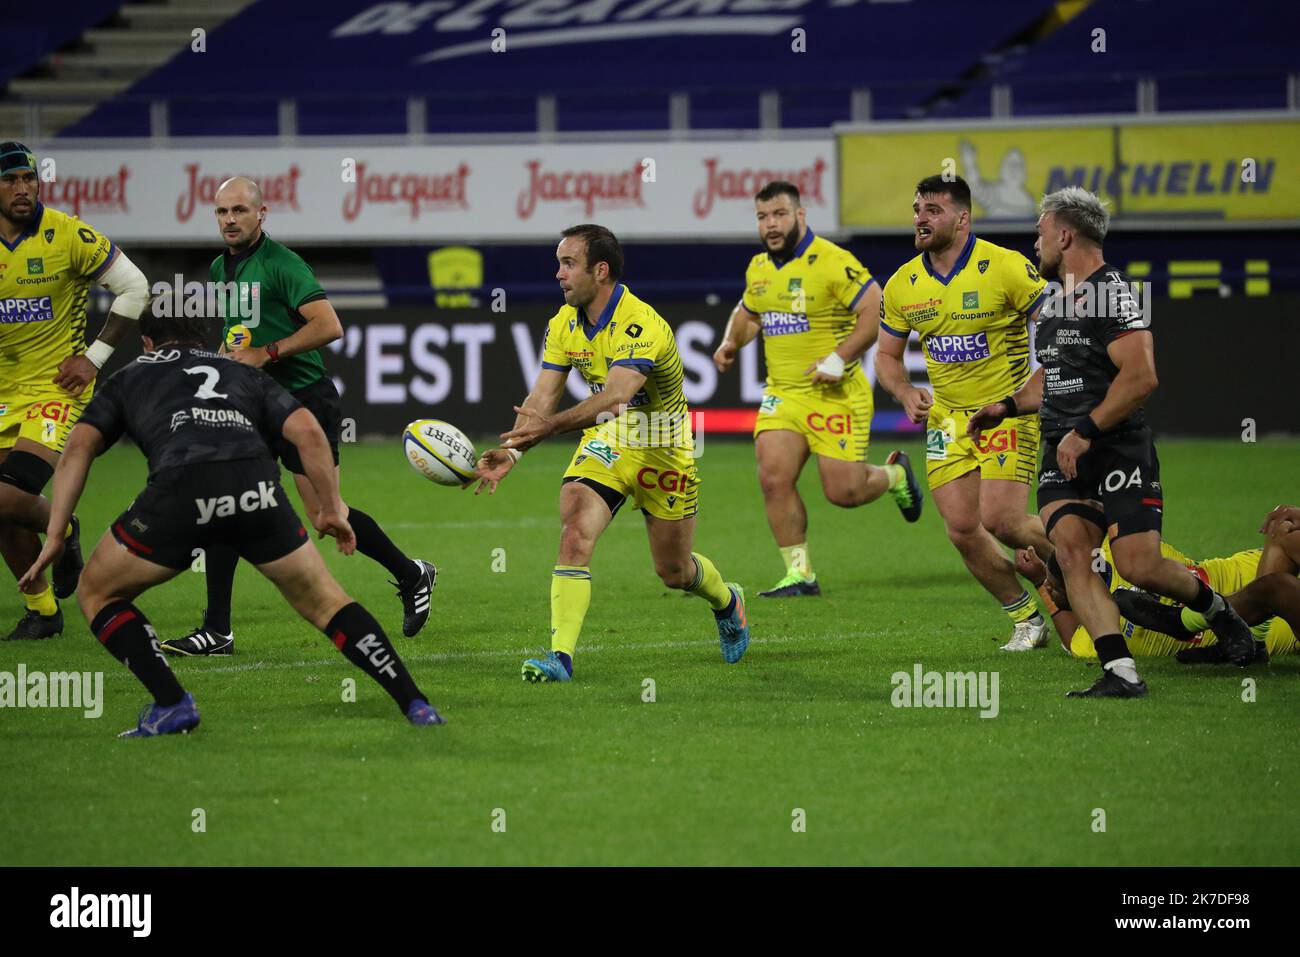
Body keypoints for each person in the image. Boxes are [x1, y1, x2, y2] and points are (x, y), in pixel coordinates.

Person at [19, 311, 444, 735]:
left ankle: (172, 703)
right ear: (202, 340)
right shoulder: (239, 371)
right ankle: (416, 704)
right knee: (328, 604)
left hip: (181, 490)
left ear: (147, 343)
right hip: (255, 488)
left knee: (97, 592)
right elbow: (309, 433)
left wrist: (56, 533)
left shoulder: (130, 376)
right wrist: (331, 508)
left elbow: (78, 447)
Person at [968, 186, 1255, 697]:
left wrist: (1085, 431)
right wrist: (1005, 407)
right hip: (1063, 454)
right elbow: (1050, 378)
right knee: (1073, 554)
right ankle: (1120, 673)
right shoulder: (1056, 303)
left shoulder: (1113, 293)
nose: (1035, 244)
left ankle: (1219, 612)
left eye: (1039, 233)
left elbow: (1141, 376)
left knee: (1138, 566)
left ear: (1064, 234)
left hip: (1116, 448)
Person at [163, 176, 434, 657]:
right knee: (225, 501)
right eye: (222, 211)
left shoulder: (282, 265)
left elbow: (329, 325)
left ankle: (413, 574)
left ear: (261, 214)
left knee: (328, 517)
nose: (229, 220)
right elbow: (237, 335)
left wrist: (270, 351)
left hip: (305, 400)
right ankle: (218, 631)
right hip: (252, 402)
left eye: (239, 211)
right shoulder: (220, 268)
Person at [473, 224, 750, 682]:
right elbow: (543, 396)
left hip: (663, 444)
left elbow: (619, 394)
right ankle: (560, 656)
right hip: (611, 438)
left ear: (600, 271)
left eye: (568, 264)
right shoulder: (563, 323)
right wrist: (514, 451)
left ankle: (727, 601)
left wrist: (553, 427)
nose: (558, 274)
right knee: (574, 526)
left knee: (675, 572)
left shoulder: (640, 324)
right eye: (558, 263)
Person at [713, 180, 921, 598]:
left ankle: (895, 474)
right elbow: (750, 311)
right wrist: (730, 341)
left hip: (836, 393)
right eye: (762, 217)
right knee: (773, 477)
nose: (770, 225)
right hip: (784, 394)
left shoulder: (831, 261)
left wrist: (838, 358)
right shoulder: (759, 269)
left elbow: (873, 307)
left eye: (779, 215)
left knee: (843, 492)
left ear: (800, 215)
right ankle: (800, 573)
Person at [876, 174, 1054, 651]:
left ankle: (1092, 566)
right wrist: (904, 392)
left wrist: (1037, 387)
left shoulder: (1005, 267)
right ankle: (1026, 619)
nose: (921, 218)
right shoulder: (902, 284)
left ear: (962, 218)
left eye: (933, 209)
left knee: (1004, 522)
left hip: (1005, 412)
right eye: (917, 209)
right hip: (948, 420)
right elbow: (886, 357)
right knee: (961, 528)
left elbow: (1058, 330)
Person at [0, 141, 151, 640]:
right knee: (4, 511)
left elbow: (135, 287)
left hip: (55, 389)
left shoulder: (67, 234)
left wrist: (94, 358)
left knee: (10, 492)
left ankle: (63, 529)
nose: (23, 189)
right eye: (10, 181)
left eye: (29, 179)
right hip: (3, 391)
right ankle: (42, 611)